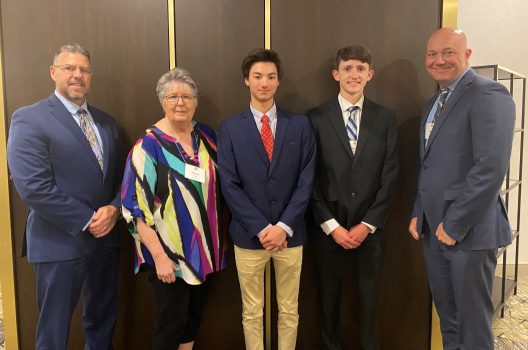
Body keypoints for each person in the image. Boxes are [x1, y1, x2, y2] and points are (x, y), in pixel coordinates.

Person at [7, 43, 122, 350]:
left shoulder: (107, 123)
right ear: (53, 72)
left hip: (105, 242)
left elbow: (121, 179)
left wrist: (114, 208)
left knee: (102, 322)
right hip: (58, 243)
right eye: (69, 68)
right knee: (53, 331)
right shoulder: (29, 119)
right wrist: (87, 219)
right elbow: (33, 187)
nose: (77, 75)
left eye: (84, 69)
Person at [409, 28, 515, 350]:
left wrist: (454, 224)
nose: (439, 60)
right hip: (434, 230)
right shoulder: (433, 102)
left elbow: (490, 168)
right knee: (449, 319)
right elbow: (428, 166)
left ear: (467, 55)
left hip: (468, 232)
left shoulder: (489, 94)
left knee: (473, 326)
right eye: (432, 54)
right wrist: (419, 212)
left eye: (448, 52)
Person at [217, 49, 316, 350]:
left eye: (271, 77)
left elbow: (306, 179)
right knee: (251, 312)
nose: (264, 82)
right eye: (258, 76)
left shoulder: (299, 125)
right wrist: (262, 228)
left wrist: (283, 226)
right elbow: (230, 185)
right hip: (249, 237)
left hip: (291, 235)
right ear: (246, 80)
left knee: (289, 310)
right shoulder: (230, 129)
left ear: (278, 81)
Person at [121, 67, 226, 350]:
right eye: (173, 97)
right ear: (162, 101)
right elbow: (134, 210)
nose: (181, 103)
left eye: (187, 96)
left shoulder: (207, 137)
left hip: (203, 252)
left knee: (192, 321)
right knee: (170, 326)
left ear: (196, 101)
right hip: (169, 256)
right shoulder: (148, 147)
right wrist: (159, 257)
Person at [307, 45, 399, 350]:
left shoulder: (385, 118)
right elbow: (310, 178)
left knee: (370, 304)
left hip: (369, 231)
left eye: (360, 69)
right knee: (328, 303)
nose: (354, 74)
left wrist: (368, 223)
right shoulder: (316, 118)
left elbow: (390, 176)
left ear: (370, 75)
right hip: (328, 230)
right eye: (347, 68)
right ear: (336, 74)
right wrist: (331, 225)